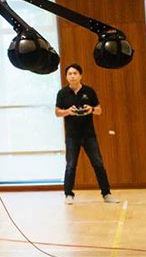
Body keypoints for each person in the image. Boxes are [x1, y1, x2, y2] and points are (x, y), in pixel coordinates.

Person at [55, 64, 118, 204]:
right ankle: (68, 194)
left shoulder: (89, 91)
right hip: (72, 135)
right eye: (69, 73)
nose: (72, 76)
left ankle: (106, 193)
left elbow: (99, 110)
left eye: (75, 73)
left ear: (80, 75)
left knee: (98, 163)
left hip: (89, 135)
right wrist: (68, 111)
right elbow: (57, 112)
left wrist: (91, 109)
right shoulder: (62, 93)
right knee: (71, 164)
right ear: (66, 76)